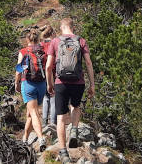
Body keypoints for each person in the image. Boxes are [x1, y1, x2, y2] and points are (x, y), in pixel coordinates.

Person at [45, 17, 94, 163]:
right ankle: (74, 129)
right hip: (78, 82)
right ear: (73, 27)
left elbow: (48, 67)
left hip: (61, 83)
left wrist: (49, 84)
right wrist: (92, 84)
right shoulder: (81, 41)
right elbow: (89, 63)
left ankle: (63, 152)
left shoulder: (55, 41)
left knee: (60, 117)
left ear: (61, 27)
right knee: (75, 106)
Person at [15, 30, 47, 150]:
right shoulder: (43, 50)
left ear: (27, 40)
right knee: (30, 113)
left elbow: (19, 70)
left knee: (34, 113)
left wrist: (16, 83)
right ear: (38, 39)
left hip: (28, 84)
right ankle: (25, 138)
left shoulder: (24, 52)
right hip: (42, 84)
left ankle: (41, 138)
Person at [40, 26, 57, 129]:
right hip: (53, 72)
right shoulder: (55, 43)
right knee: (54, 97)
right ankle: (52, 122)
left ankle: (44, 122)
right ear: (52, 33)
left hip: (42, 73)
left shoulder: (41, 45)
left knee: (45, 97)